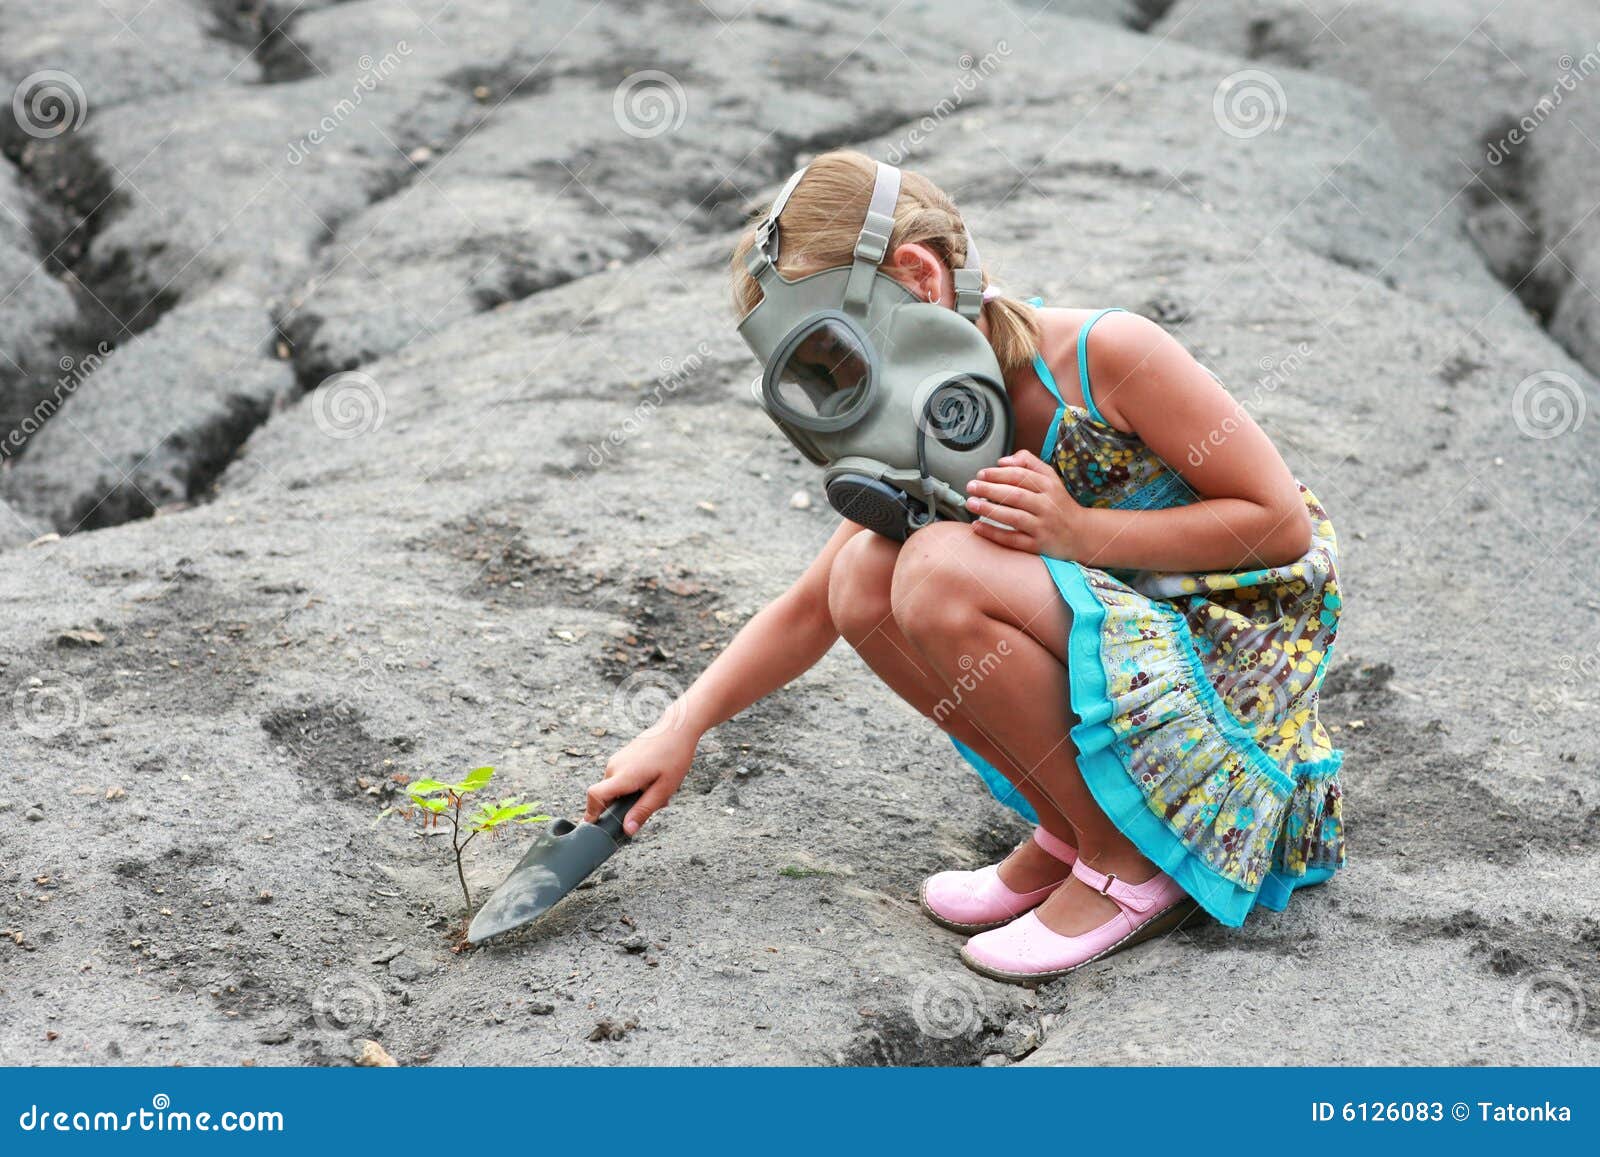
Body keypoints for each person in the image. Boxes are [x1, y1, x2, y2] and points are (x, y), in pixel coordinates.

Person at [585, 149, 1344, 984]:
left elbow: (1277, 528)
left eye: (843, 363)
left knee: (940, 568)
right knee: (861, 580)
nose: (850, 402)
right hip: (1125, 637)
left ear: (918, 276)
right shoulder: (943, 426)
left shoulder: (1104, 356)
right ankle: (1076, 822)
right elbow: (812, 609)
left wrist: (1077, 529)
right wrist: (681, 725)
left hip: (1224, 670)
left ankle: (1128, 859)